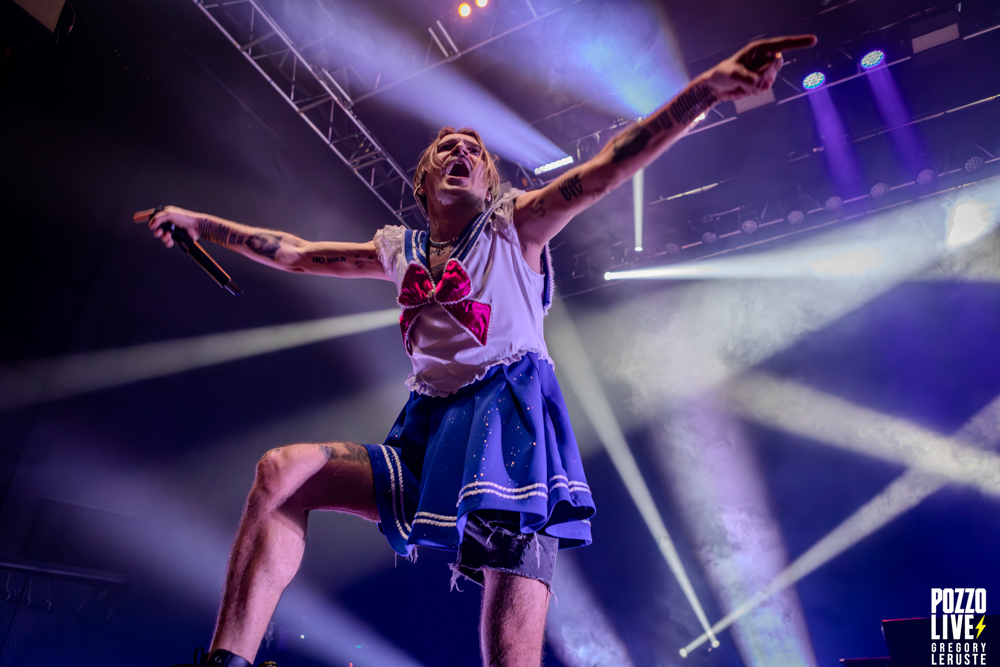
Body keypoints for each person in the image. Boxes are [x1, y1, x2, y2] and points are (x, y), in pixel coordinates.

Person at [137, 34, 816, 667]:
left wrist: (706, 89)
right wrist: (199, 222)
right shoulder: (398, 250)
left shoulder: (517, 225)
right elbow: (292, 252)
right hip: (428, 437)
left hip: (510, 431)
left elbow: (609, 167)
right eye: (447, 147)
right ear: (424, 181)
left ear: (489, 181)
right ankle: (226, 661)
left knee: (508, 651)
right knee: (281, 471)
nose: (461, 151)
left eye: (474, 149)